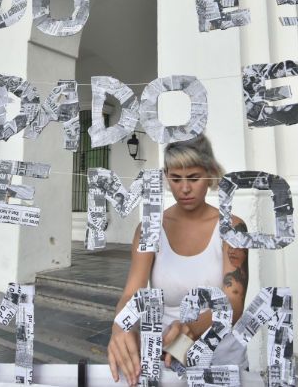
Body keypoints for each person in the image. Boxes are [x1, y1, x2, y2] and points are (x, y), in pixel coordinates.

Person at [107, 135, 249, 386]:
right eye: (175, 179)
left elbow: (234, 301)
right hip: (166, 362)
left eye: (193, 178)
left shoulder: (232, 228)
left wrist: (191, 329)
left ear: (210, 174)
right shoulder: (150, 228)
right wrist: (121, 325)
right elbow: (132, 293)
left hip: (220, 361)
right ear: (166, 176)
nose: (184, 189)